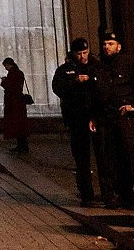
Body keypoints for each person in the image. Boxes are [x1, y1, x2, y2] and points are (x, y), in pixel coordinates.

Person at [92, 31, 134, 209]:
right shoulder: (100, 67)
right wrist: (93, 116)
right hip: (108, 119)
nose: (107, 47)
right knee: (112, 160)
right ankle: (123, 196)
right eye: (105, 44)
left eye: (110, 43)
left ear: (118, 46)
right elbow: (96, 95)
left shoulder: (129, 64)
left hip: (127, 119)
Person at [52, 37, 101, 206]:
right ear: (73, 53)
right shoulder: (65, 70)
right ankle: (87, 194)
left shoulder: (96, 66)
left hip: (97, 116)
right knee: (82, 159)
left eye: (85, 53)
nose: (82, 56)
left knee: (104, 157)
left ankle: (109, 194)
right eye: (79, 54)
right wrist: (75, 81)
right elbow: (58, 88)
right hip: (77, 118)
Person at [0, 58, 32, 156]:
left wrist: (4, 81)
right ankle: (21, 145)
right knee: (19, 125)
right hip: (17, 102)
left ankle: (23, 146)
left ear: (9, 65)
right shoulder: (18, 73)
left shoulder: (13, 73)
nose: (5, 68)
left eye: (5, 66)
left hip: (14, 103)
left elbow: (12, 87)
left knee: (18, 125)